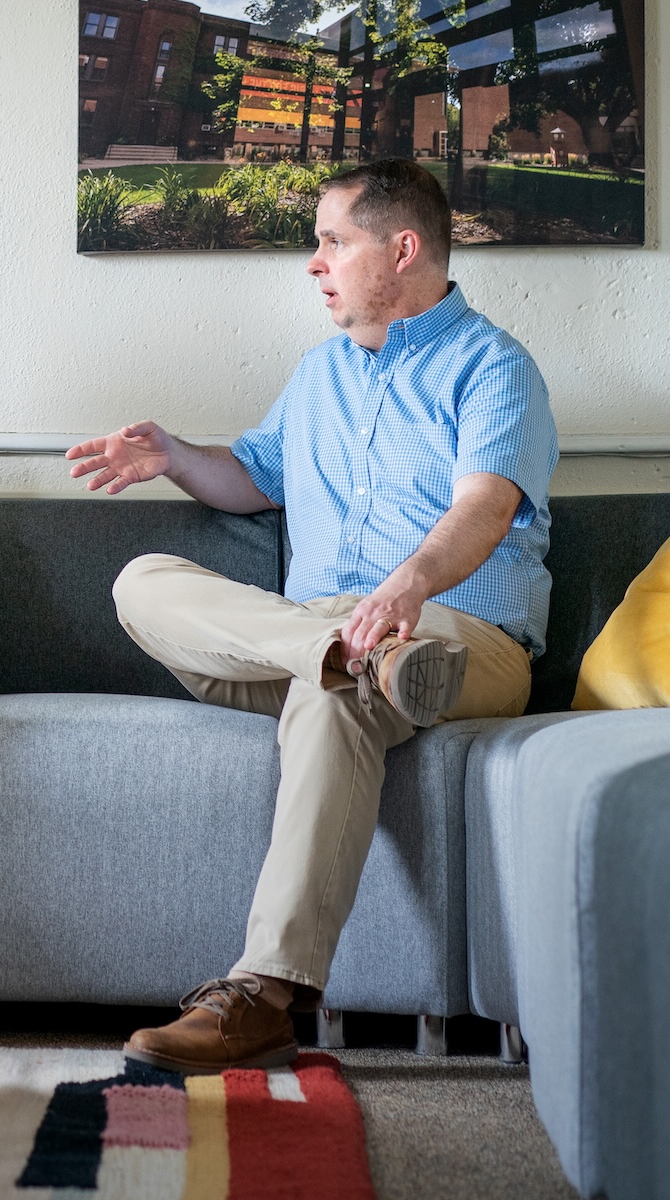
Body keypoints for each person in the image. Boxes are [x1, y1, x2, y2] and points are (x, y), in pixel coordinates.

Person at [69, 160, 556, 1074]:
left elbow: (485, 507)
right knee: (143, 579)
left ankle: (262, 996)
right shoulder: (319, 374)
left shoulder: (494, 367)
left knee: (336, 698)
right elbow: (254, 480)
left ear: (401, 249)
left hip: (455, 637)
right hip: (316, 639)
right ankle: (338, 653)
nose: (315, 263)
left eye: (334, 241)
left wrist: (408, 585)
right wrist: (172, 455)